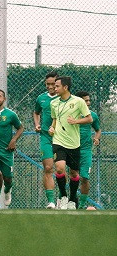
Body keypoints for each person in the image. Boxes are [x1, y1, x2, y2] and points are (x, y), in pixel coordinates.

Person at [49, 76, 91, 210]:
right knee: (60, 168)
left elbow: (89, 118)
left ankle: (73, 198)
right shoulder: (53, 103)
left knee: (74, 173)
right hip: (58, 140)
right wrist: (52, 128)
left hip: (73, 143)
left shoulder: (78, 102)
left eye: (57, 86)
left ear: (65, 87)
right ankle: (63, 196)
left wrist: (76, 122)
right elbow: (55, 120)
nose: (54, 88)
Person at [0, 89, 24, 209]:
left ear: (4, 99)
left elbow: (20, 128)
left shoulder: (10, 114)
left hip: (6, 151)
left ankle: (7, 191)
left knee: (7, 178)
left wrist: (13, 140)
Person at [33, 71, 59, 208]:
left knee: (61, 170)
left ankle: (63, 198)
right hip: (45, 137)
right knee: (48, 168)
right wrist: (37, 124)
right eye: (47, 84)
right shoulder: (41, 98)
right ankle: (51, 201)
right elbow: (36, 112)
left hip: (62, 138)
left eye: (53, 84)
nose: (50, 87)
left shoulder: (65, 98)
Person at [74, 91, 101, 209]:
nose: (88, 103)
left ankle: (82, 205)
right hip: (71, 149)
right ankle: (66, 202)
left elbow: (98, 130)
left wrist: (96, 138)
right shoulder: (71, 114)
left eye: (89, 100)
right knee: (71, 177)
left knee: (84, 177)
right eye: (86, 101)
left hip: (86, 151)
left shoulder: (92, 115)